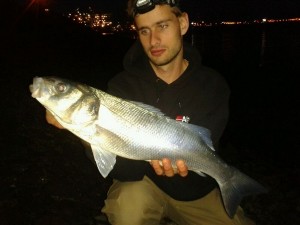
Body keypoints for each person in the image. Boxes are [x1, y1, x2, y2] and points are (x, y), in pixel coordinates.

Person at [46, 0, 256, 224]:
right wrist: (80, 129)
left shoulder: (212, 85)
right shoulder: (122, 86)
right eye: (144, 31)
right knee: (126, 210)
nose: (153, 40)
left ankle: (230, 182)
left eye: (163, 26)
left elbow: (204, 145)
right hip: (141, 184)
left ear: (183, 24)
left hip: (196, 191)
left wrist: (219, 174)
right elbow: (122, 172)